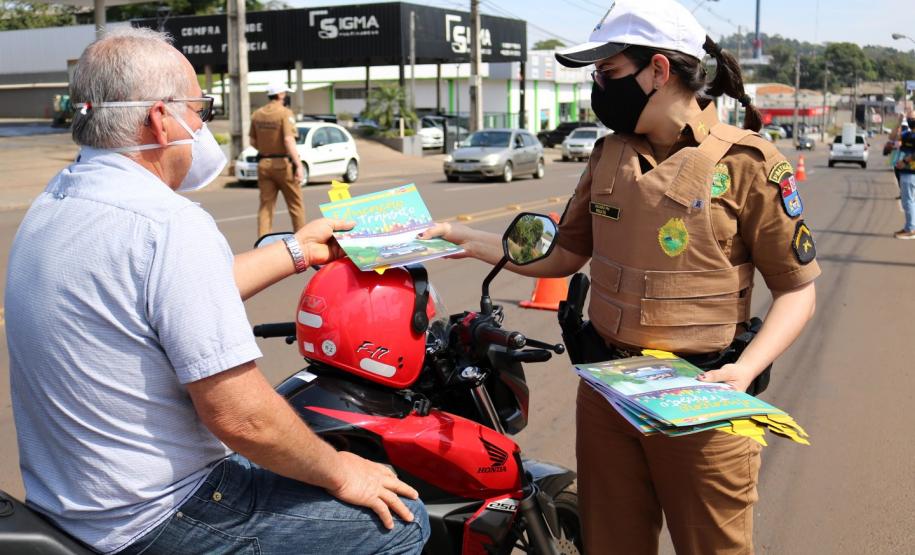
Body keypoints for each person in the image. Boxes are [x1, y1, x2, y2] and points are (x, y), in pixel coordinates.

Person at [5, 28, 428, 555]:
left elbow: (166, 300)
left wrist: (297, 251)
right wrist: (342, 471)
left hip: (79, 502)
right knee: (404, 526)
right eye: (199, 111)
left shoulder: (59, 202)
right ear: (161, 120)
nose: (203, 128)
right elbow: (240, 417)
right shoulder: (169, 222)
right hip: (156, 515)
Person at [422, 1, 819, 553]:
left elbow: (797, 290)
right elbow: (562, 255)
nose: (598, 87)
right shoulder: (609, 155)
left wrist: (746, 368)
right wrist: (466, 241)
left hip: (702, 403)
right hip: (609, 397)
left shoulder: (749, 163)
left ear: (658, 70)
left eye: (607, 73)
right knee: (609, 543)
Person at [250, 83, 307, 237]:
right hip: (283, 165)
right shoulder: (285, 113)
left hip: (263, 164)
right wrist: (298, 165)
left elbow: (252, 141)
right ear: (281, 95)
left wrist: (267, 149)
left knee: (266, 207)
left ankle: (262, 242)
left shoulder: (257, 114)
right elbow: (289, 140)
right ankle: (302, 242)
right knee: (296, 206)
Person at [892, 110, 915, 239]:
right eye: (909, 118)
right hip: (906, 172)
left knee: (908, 201)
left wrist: (904, 161)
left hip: (911, 173)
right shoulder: (907, 134)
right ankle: (911, 226)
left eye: (912, 118)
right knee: (911, 201)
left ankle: (910, 229)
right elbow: (893, 137)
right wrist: (899, 123)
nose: (910, 120)